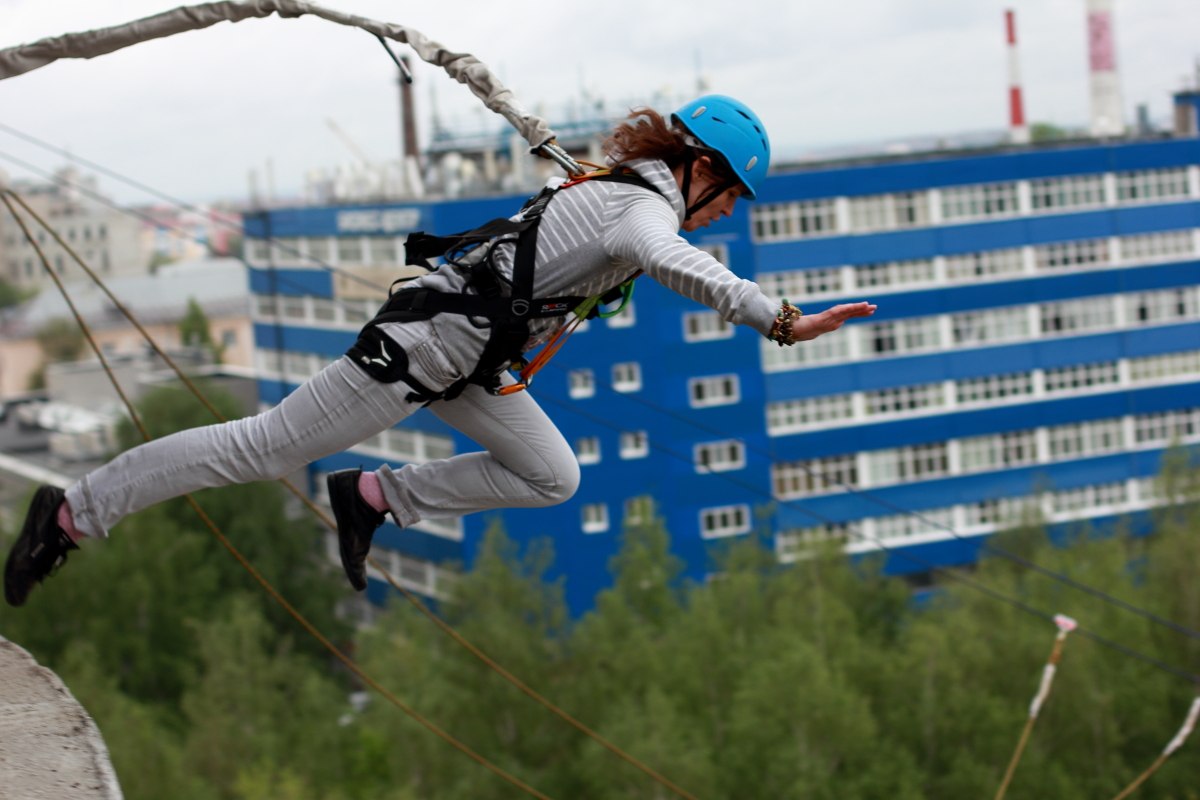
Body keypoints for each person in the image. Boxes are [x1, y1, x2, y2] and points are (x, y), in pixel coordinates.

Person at [4, 95, 876, 607]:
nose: (726, 212)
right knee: (258, 448)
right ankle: (76, 510)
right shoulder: (642, 210)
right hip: (417, 356)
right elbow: (679, 262)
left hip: (468, 366)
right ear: (700, 169)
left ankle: (377, 498)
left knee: (553, 475)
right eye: (727, 194)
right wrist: (778, 318)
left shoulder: (614, 189)